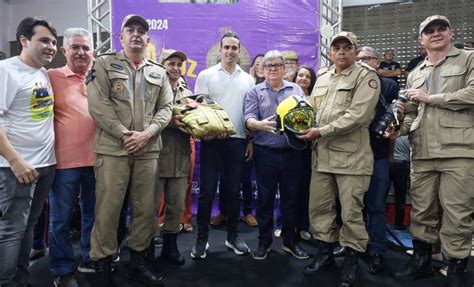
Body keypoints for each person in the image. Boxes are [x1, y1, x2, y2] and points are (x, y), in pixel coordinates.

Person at [87, 14, 173, 287]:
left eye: (141, 31)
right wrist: (125, 134)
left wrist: (146, 134)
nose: (136, 34)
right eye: (130, 30)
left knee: (145, 209)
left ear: (148, 39)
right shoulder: (103, 64)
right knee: (108, 209)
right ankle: (103, 267)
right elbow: (98, 105)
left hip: (148, 150)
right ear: (121, 37)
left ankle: (137, 264)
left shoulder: (159, 72)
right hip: (113, 150)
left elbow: (166, 108)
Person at [390, 15, 474, 287]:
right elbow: (413, 114)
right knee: (422, 211)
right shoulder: (416, 73)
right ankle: (422, 262)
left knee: (457, 212)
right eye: (429, 31)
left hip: (459, 151)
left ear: (451, 32)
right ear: (421, 40)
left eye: (441, 29)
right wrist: (397, 128)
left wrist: (431, 98)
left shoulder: (468, 59)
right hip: (422, 152)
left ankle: (457, 267)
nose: (435, 34)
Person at [299, 32, 380, 287]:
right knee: (320, 209)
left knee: (352, 213)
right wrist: (295, 122)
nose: (342, 52)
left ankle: (351, 260)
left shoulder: (366, 76)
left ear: (355, 51)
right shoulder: (322, 77)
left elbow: (359, 115)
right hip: (321, 156)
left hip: (352, 159)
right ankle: (325, 254)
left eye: (348, 47)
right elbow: (310, 109)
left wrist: (320, 131)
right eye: (337, 48)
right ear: (330, 53)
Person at [0, 16, 58, 286]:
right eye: (44, 40)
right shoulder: (6, 70)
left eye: (54, 42)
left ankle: (21, 280)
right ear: (24, 40)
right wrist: (15, 160)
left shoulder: (42, 72)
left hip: (45, 165)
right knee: (12, 231)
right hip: (17, 168)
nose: (51, 47)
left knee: (28, 227)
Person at [191, 31, 254, 260]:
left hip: (237, 142)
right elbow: (198, 109)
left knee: (233, 193)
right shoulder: (206, 75)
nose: (230, 51)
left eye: (234, 48)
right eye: (226, 47)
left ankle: (233, 236)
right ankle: (202, 240)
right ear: (220, 49)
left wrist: (250, 141)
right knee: (207, 193)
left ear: (239, 51)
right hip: (211, 142)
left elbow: (249, 114)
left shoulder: (248, 80)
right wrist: (205, 133)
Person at [244, 50, 310, 261]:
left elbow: (305, 116)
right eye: (268, 66)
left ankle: (290, 242)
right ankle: (264, 242)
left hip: (292, 153)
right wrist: (258, 125)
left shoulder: (296, 89)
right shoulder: (255, 91)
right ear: (262, 69)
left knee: (291, 200)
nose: (272, 69)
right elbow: (247, 119)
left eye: (277, 66)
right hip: (265, 154)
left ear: (284, 68)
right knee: (264, 200)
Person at [46, 27, 96, 287]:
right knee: (61, 219)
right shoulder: (50, 77)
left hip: (98, 162)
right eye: (75, 47)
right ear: (64, 50)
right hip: (64, 163)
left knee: (93, 216)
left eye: (86, 48)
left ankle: (88, 259)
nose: (81, 52)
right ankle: (62, 268)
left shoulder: (100, 78)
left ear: (93, 52)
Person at [356, 46, 399, 274]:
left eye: (367, 59)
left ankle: (377, 251)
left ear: (377, 62)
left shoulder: (389, 85)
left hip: (378, 155)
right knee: (353, 206)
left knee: (376, 206)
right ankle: (354, 247)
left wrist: (391, 149)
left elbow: (397, 117)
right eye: (359, 58)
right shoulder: (351, 84)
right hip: (352, 155)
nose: (362, 62)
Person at [155, 48, 193, 266]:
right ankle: (146, 251)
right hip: (155, 157)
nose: (176, 68)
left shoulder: (187, 94)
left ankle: (171, 248)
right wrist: (171, 122)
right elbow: (146, 118)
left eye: (179, 64)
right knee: (150, 209)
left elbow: (194, 121)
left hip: (180, 158)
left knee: (176, 207)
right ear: (162, 66)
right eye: (171, 64)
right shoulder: (153, 90)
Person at [293, 65, 317, 241]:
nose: (303, 78)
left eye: (307, 76)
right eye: (300, 75)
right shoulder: (288, 98)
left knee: (305, 191)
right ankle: (282, 224)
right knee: (288, 191)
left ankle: (303, 226)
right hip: (289, 149)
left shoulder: (316, 99)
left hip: (309, 150)